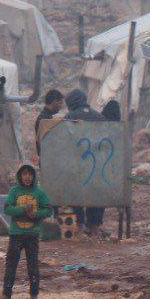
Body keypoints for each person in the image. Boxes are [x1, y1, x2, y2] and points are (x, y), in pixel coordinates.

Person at [0, 164, 52, 299]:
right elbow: (8, 209)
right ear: (20, 176)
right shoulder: (14, 191)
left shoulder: (39, 193)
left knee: (33, 266)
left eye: (30, 174)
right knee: (11, 265)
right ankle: (6, 296)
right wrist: (22, 209)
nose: (27, 177)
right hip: (16, 234)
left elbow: (48, 210)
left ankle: (34, 296)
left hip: (32, 235)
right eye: (24, 174)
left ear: (34, 176)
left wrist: (37, 213)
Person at [64, 89, 106, 236]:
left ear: (71, 103)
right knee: (97, 194)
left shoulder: (70, 117)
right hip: (97, 164)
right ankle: (94, 227)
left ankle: (79, 225)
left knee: (75, 193)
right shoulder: (100, 117)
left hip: (77, 164)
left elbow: (65, 141)